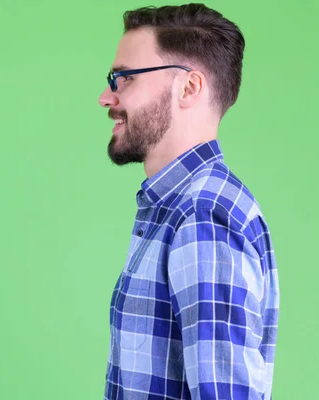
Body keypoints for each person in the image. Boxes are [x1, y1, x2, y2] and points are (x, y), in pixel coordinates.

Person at [97, 3, 280, 399]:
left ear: (189, 88)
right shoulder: (175, 207)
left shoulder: (202, 213)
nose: (104, 97)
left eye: (124, 78)